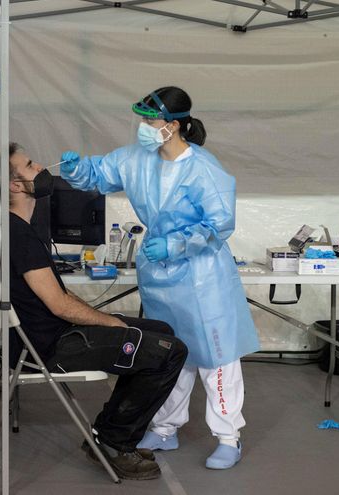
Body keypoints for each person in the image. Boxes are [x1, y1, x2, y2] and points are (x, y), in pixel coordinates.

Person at [59, 86, 260, 470]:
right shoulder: (137, 159)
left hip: (202, 278)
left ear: (172, 125)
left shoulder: (204, 168)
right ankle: (166, 428)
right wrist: (75, 169)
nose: (144, 127)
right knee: (169, 352)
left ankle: (228, 436)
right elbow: (100, 173)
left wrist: (176, 245)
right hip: (160, 278)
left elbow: (220, 224)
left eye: (151, 120)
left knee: (215, 358)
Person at [8, 142, 187, 481]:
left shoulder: (20, 230)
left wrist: (109, 323)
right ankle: (114, 442)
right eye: (31, 165)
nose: (41, 167)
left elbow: (57, 297)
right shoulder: (20, 236)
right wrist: (113, 322)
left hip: (46, 334)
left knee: (160, 330)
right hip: (48, 347)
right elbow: (60, 305)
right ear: (16, 185)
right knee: (170, 352)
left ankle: (109, 434)